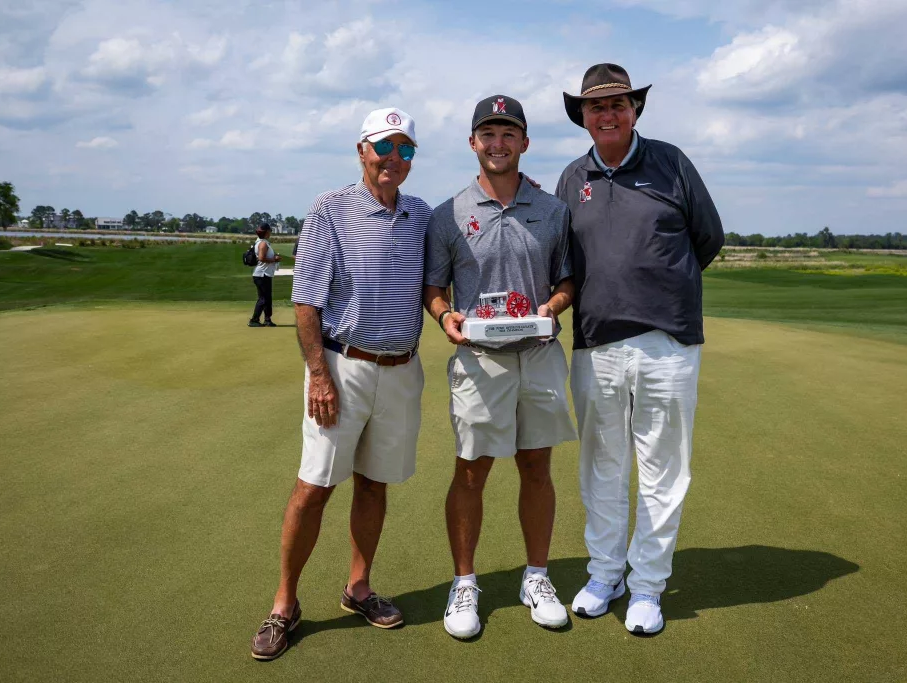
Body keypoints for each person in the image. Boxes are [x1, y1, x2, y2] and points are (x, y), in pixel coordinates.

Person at [250, 108, 432, 660]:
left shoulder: (423, 213)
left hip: (402, 369)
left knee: (374, 484)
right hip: (342, 367)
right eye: (384, 147)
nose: (394, 159)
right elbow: (305, 300)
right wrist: (318, 375)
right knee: (315, 487)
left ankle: (359, 588)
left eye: (405, 150)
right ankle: (285, 604)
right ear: (361, 150)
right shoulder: (329, 209)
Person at [555, 64, 725, 635]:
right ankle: (606, 574)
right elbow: (564, 260)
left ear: (635, 110)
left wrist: (661, 285)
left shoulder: (671, 163)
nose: (607, 114)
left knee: (662, 470)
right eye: (596, 106)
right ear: (582, 116)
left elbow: (709, 237)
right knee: (602, 467)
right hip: (597, 341)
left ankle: (649, 584)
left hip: (667, 341)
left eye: (618, 104)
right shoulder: (571, 176)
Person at [423, 95, 577, 640]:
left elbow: (566, 281)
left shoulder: (554, 211)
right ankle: (464, 583)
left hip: (538, 356)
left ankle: (536, 577)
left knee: (537, 466)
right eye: (488, 134)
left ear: (524, 143)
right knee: (472, 469)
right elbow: (434, 287)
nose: (498, 143)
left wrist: (551, 309)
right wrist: (445, 317)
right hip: (479, 360)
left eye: (509, 134)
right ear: (473, 143)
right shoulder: (448, 214)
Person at [249, 223, 281, 327]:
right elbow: (262, 258)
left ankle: (267, 319)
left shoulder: (262, 242)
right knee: (263, 299)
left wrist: (273, 258)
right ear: (267, 232)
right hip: (262, 275)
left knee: (267, 298)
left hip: (264, 274)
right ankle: (254, 320)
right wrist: (274, 259)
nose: (271, 232)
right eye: (270, 231)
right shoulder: (263, 243)